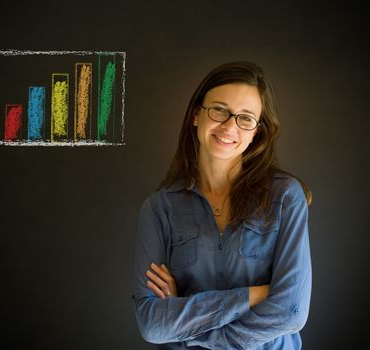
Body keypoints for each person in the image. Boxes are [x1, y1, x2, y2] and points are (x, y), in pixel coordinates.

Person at [131, 61, 312, 349]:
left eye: (246, 118)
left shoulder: (286, 197)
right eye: (219, 110)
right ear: (195, 115)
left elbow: (291, 312)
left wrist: (187, 321)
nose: (229, 126)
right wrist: (253, 295)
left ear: (257, 132)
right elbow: (153, 324)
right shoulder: (158, 209)